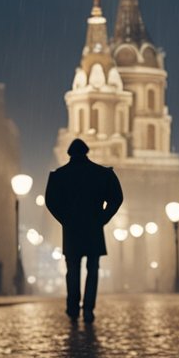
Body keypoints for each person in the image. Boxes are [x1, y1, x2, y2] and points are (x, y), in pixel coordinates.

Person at [44, 138, 123, 323]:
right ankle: (88, 308)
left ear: (69, 153)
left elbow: (50, 201)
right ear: (87, 152)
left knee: (72, 269)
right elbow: (117, 198)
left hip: (72, 229)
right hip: (93, 227)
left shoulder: (59, 175)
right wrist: (103, 218)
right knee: (93, 269)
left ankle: (72, 307)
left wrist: (65, 219)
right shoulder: (102, 173)